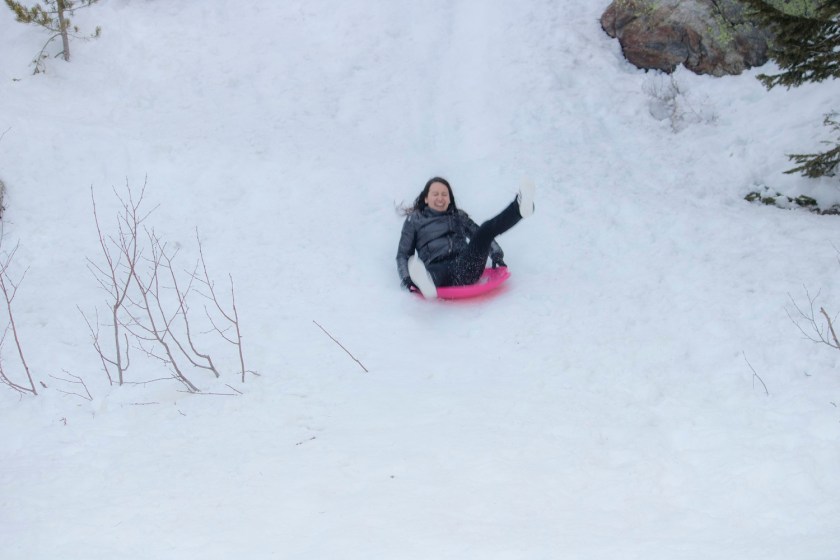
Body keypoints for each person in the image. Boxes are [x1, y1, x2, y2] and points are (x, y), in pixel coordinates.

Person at [396, 176, 535, 298]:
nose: (440, 198)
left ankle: (519, 208)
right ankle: (427, 282)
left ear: (450, 199)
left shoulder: (458, 216)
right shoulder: (414, 220)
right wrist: (407, 278)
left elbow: (479, 235)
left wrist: (496, 254)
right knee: (437, 271)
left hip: (466, 265)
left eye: (444, 194)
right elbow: (403, 254)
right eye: (435, 194)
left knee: (485, 229)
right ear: (426, 198)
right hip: (437, 268)